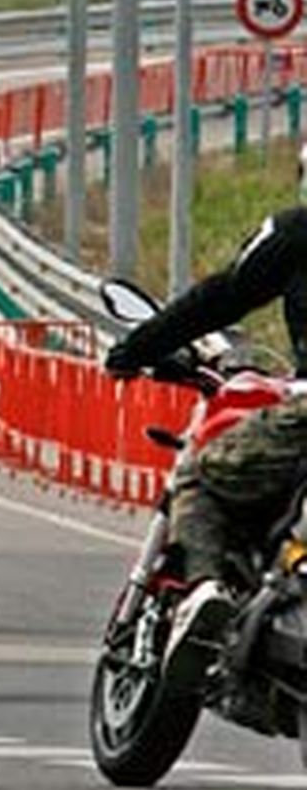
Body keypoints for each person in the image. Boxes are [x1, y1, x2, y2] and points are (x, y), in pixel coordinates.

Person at [104, 200, 307, 675]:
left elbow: (225, 294)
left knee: (204, 473)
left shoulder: (295, 230)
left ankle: (203, 591)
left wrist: (136, 348)